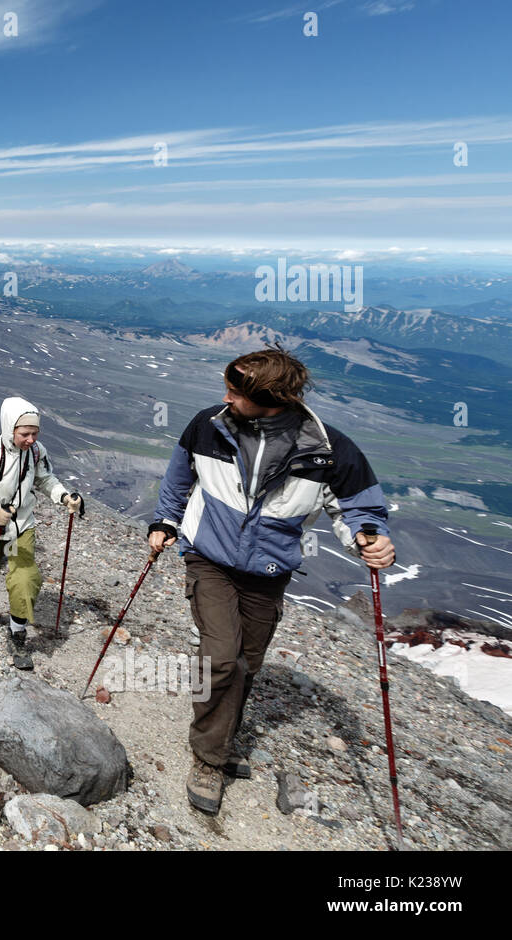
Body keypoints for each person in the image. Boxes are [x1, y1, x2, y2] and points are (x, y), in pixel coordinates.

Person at [148, 347, 395, 816]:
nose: (225, 396)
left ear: (270, 398)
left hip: (268, 573)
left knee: (247, 664)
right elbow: (179, 479)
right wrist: (164, 521)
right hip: (210, 559)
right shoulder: (209, 426)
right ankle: (208, 757)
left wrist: (371, 540)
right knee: (221, 657)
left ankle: (219, 738)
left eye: (235, 391)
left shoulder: (327, 449)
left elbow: (358, 509)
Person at [0, 396, 84, 669]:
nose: (31, 439)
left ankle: (17, 631)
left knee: (24, 577)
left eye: (35, 433)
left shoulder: (36, 451)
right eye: (25, 433)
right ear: (10, 429)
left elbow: (44, 478)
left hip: (19, 530)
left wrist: (63, 496)